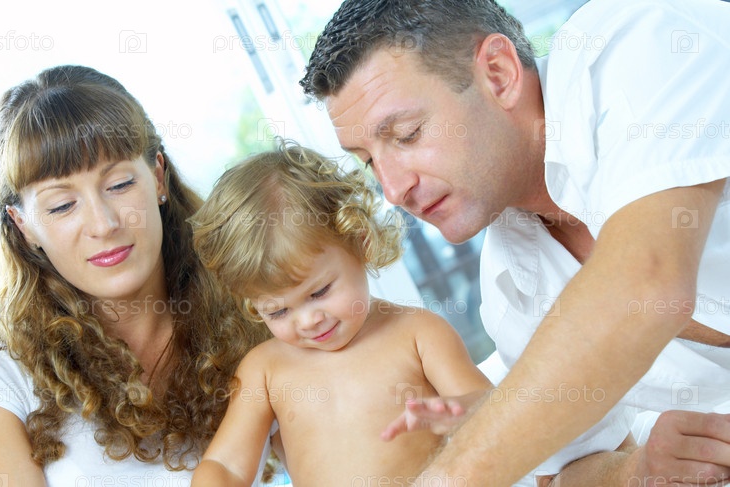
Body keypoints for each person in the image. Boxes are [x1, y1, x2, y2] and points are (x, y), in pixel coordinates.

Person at [300, 0, 730, 485]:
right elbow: (564, 473)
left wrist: (447, 480)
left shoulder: (639, 45)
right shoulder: (513, 286)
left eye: (407, 134)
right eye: (367, 162)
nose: (394, 190)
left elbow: (646, 285)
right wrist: (636, 469)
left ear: (499, 73)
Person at [0, 65, 271, 486]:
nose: (103, 223)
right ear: (24, 227)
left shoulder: (261, 314)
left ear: (157, 176)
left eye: (119, 185)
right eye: (62, 206)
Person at [188, 142, 492, 486]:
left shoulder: (418, 333)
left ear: (359, 241)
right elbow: (226, 465)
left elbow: (492, 411)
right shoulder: (263, 370)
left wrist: (460, 414)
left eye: (319, 292)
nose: (308, 320)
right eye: (278, 311)